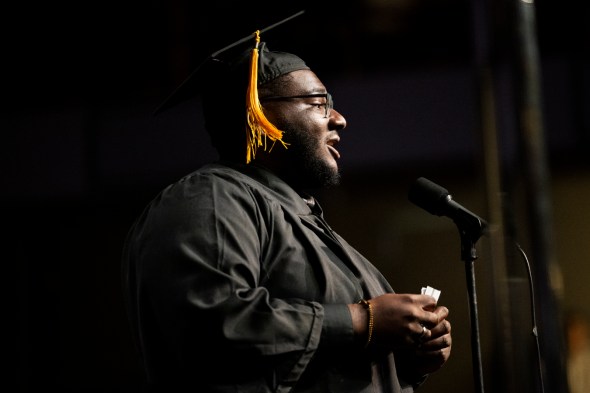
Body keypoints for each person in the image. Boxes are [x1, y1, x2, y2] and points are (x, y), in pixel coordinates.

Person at [122, 16, 452, 393]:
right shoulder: (211, 198)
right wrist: (362, 319)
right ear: (259, 113)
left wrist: (408, 357)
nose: (339, 119)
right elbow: (216, 327)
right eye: (318, 103)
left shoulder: (307, 222)